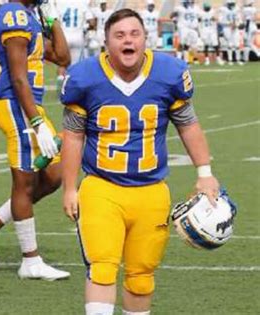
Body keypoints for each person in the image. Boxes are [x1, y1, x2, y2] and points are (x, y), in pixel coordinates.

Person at [60, 8, 220, 315]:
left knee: (141, 276)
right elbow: (73, 136)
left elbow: (188, 124)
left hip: (151, 190)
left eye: (134, 34)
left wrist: (205, 172)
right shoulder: (86, 78)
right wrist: (69, 188)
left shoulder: (167, 73)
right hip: (102, 188)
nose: (128, 41)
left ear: (146, 39)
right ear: (106, 43)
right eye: (119, 35)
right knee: (103, 267)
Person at [0, 0, 71, 281]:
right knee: (24, 183)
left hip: (29, 107)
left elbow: (63, 57)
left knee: (52, 176)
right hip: (17, 106)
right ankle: (30, 261)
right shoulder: (13, 15)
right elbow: (18, 78)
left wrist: (52, 21)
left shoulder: (29, 17)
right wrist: (36, 122)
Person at [218, 0, 243, 65]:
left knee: (237, 44)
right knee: (230, 44)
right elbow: (220, 20)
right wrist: (229, 24)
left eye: (233, 4)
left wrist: (236, 24)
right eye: (230, 4)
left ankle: (238, 59)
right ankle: (230, 60)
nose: (232, 5)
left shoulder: (236, 9)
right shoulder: (223, 10)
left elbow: (239, 19)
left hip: (235, 27)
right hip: (227, 28)